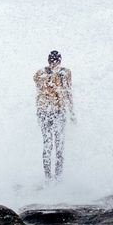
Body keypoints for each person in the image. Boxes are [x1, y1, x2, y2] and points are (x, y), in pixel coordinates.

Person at [33, 50, 76, 181]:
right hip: (44, 112)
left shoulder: (65, 73)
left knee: (59, 145)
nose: (54, 64)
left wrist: (72, 112)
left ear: (60, 61)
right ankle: (48, 178)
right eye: (52, 62)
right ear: (48, 61)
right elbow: (40, 85)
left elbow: (68, 92)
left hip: (58, 112)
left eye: (56, 62)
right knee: (47, 145)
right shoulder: (40, 73)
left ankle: (58, 177)